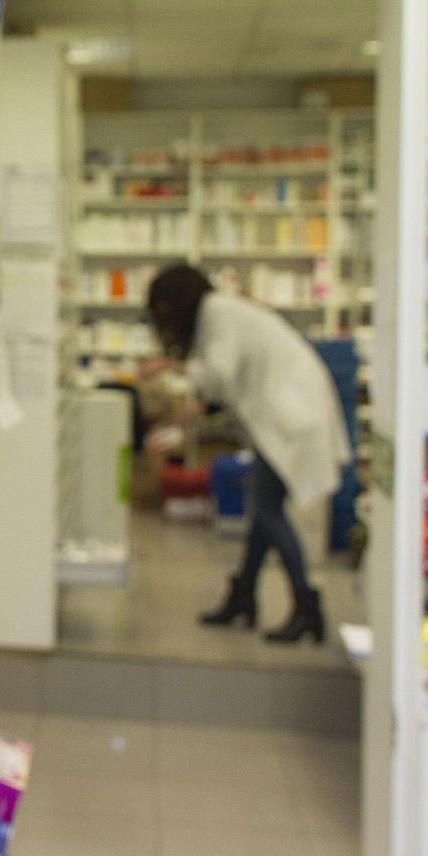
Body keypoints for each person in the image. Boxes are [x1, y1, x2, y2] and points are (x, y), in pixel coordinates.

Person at [145, 264, 351, 644]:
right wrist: (187, 417)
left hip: (290, 417)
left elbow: (218, 374)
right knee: (262, 510)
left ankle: (306, 605)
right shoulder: (220, 312)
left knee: (268, 511)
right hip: (287, 414)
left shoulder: (216, 311)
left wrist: (171, 366)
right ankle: (242, 598)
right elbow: (227, 388)